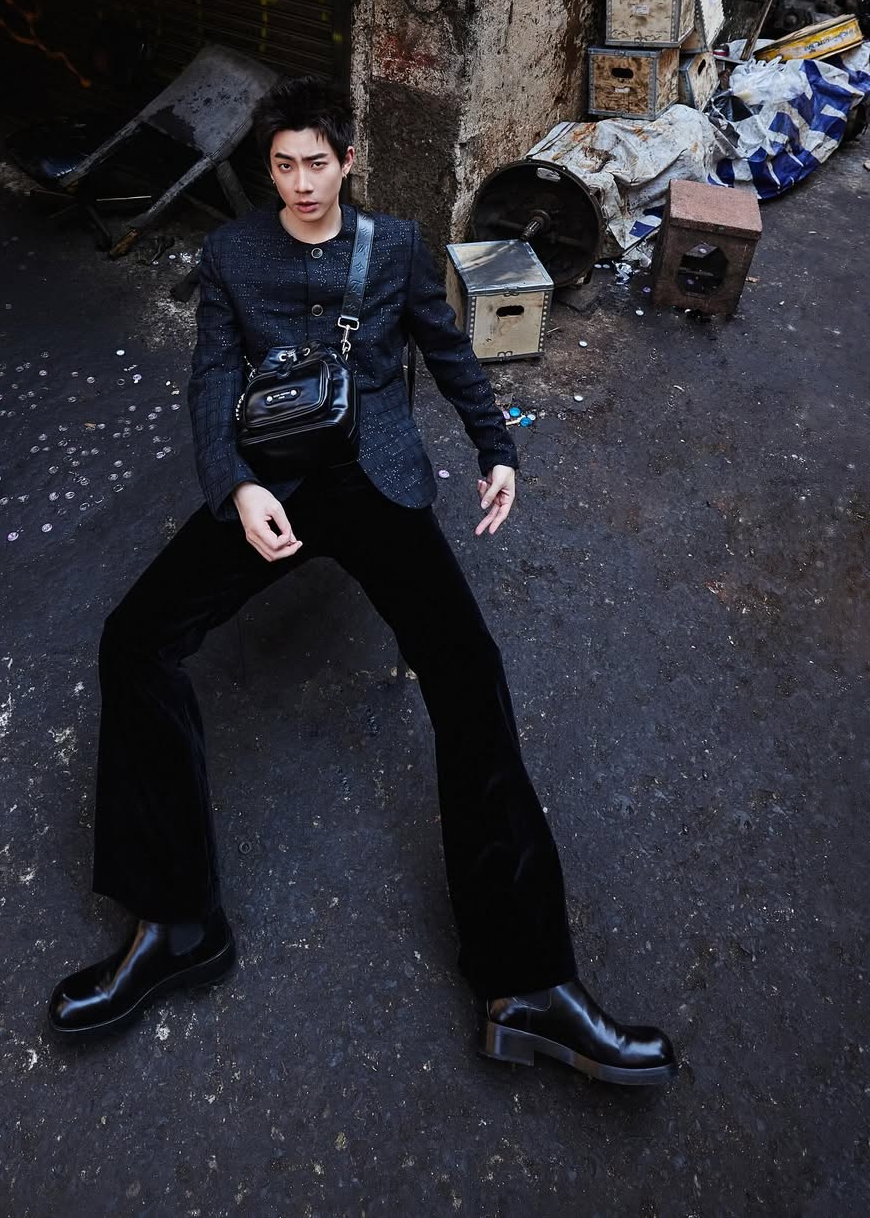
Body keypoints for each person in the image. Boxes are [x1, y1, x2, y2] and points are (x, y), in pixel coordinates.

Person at [47, 76, 677, 1086]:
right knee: (135, 639)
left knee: (470, 678)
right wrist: (236, 485)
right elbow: (213, 377)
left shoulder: (395, 248)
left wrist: (496, 447)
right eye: (283, 166)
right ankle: (177, 924)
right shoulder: (232, 254)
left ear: (347, 160)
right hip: (275, 483)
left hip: (378, 478)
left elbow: (446, 346)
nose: (302, 184)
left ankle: (526, 985)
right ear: (268, 170)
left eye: (317, 163)